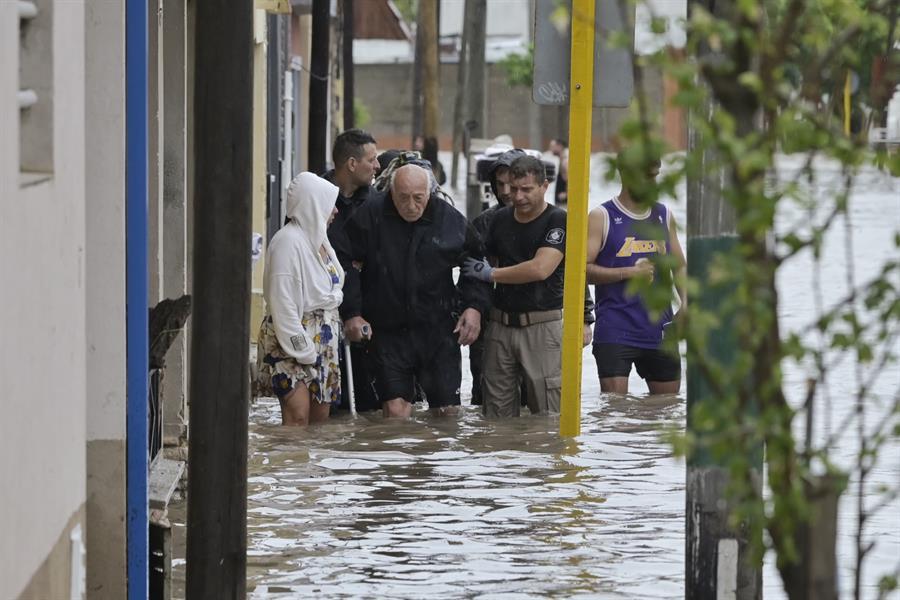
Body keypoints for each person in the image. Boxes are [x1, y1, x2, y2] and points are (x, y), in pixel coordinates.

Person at [340, 163, 490, 418]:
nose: (411, 206)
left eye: (418, 198)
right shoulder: (370, 215)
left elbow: (476, 266)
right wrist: (352, 312)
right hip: (387, 331)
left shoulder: (449, 219)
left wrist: (473, 308)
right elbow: (344, 263)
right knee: (395, 412)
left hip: (438, 330)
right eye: (403, 198)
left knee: (447, 413)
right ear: (391, 193)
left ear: (429, 193)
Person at [463, 155, 594, 418]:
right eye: (513, 188)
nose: (517, 196)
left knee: (549, 416)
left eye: (526, 189)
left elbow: (540, 268)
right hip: (500, 326)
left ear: (545, 186)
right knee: (494, 417)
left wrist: (492, 274)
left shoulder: (558, 220)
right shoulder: (497, 220)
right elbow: (474, 264)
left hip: (542, 326)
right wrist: (473, 306)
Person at [586, 156, 686, 394]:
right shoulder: (601, 216)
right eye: (646, 176)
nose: (652, 182)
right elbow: (583, 270)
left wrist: (687, 304)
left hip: (660, 329)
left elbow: (680, 265)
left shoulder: (664, 215)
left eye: (655, 176)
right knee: (615, 413)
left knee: (666, 410)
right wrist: (628, 272)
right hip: (614, 328)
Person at [256, 173, 345, 426]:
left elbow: (334, 283)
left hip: (323, 339)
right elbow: (282, 303)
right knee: (297, 417)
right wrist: (303, 349)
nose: (336, 210)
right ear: (313, 204)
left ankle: (308, 467)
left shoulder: (321, 240)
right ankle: (287, 465)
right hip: (292, 338)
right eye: (330, 203)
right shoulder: (287, 242)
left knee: (319, 421)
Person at [322, 129, 381, 413]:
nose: (377, 166)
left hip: (367, 314)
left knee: (366, 403)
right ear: (352, 163)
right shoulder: (316, 197)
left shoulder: (375, 204)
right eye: (372, 160)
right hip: (324, 312)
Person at [468, 148, 526, 406]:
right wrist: (472, 312)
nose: (504, 191)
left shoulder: (553, 220)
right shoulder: (483, 222)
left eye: (510, 182)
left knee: (541, 402)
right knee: (486, 398)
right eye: (499, 184)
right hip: (491, 322)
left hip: (539, 321)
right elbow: (470, 274)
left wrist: (584, 317)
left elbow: (572, 272)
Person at [548, 138, 568, 207]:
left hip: (564, 201)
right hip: (561, 200)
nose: (551, 149)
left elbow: (571, 179)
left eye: (553, 146)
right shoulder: (562, 159)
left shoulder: (565, 161)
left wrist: (566, 193)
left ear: (560, 146)